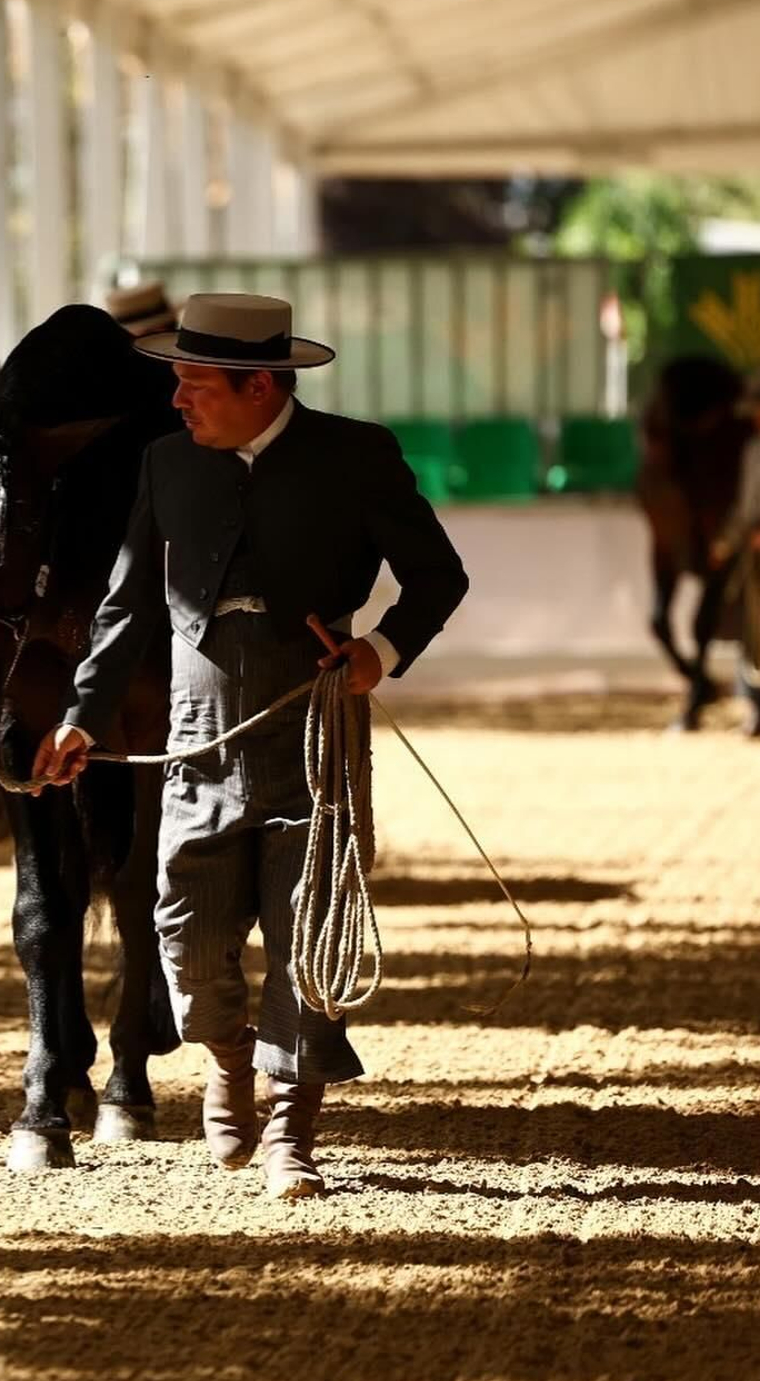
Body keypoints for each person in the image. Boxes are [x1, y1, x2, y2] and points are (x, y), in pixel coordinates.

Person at [32, 292, 469, 1199]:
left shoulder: (358, 457)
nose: (179, 401)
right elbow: (125, 610)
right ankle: (228, 1055)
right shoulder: (165, 464)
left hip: (314, 729)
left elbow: (438, 573)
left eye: (196, 385)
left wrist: (380, 651)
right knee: (184, 936)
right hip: (194, 732)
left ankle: (290, 1132)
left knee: (311, 933)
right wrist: (82, 715)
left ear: (261, 385)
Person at [712, 368, 760, 737]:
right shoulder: (753, 452)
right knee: (755, 630)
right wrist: (729, 540)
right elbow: (746, 506)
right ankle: (758, 706)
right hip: (757, 549)